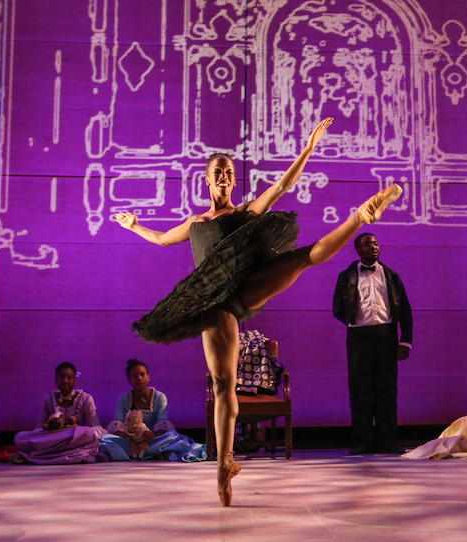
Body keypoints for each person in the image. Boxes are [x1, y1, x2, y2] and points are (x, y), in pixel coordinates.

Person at [115, 117, 403, 506]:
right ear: (207, 180)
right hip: (214, 302)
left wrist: (310, 147)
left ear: (233, 181)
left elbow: (283, 185)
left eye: (229, 173)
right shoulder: (195, 222)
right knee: (222, 383)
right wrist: (135, 227)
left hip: (246, 285)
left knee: (302, 259)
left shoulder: (246, 211)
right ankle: (225, 462)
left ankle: (358, 218)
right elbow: (163, 239)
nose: (224, 177)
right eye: (217, 172)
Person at [333, 232, 413, 455]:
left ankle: (387, 439)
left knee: (387, 391)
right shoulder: (346, 276)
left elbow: (405, 310)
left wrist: (405, 341)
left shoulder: (391, 276)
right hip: (358, 338)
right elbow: (338, 309)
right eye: (368, 244)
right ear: (358, 250)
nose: (374, 247)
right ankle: (362, 440)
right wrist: (356, 322)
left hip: (386, 336)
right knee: (359, 390)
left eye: (376, 243)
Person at [98, 359, 205, 462]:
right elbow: (117, 421)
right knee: (106, 439)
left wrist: (154, 434)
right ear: (130, 380)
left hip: (153, 440)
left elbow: (163, 421)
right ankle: (156, 453)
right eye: (135, 376)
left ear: (148, 377)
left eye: (142, 375)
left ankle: (146, 452)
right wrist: (126, 434)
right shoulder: (124, 398)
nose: (139, 378)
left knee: (172, 436)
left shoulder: (159, 397)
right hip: (131, 441)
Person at [11, 362, 106, 465]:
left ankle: (42, 455)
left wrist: (73, 428)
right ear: (56, 380)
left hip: (73, 439)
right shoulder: (48, 399)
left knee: (88, 433)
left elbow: (96, 429)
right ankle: (65, 454)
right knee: (19, 437)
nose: (65, 381)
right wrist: (50, 427)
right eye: (61, 378)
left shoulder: (86, 398)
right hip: (52, 438)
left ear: (75, 380)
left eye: (69, 378)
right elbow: (38, 430)